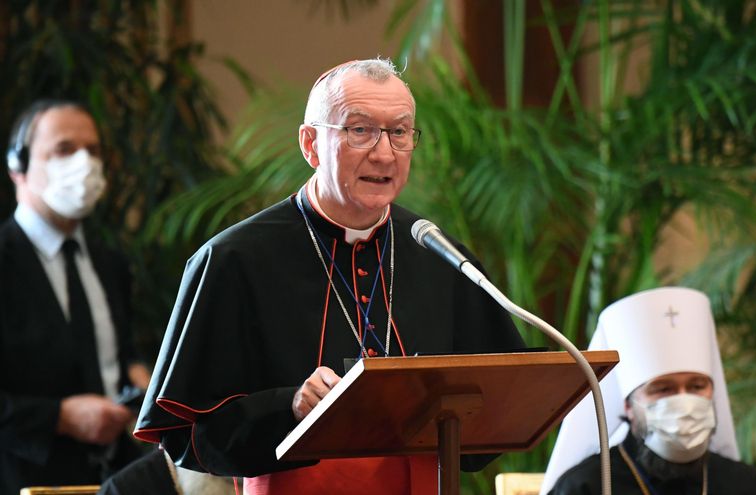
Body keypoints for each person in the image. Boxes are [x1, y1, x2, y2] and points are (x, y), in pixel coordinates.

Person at [134, 58, 526, 495]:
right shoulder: (234, 260)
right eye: (359, 130)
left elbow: (498, 410)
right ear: (311, 144)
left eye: (399, 132)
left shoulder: (437, 254)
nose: (383, 152)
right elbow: (186, 434)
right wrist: (290, 407)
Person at [0, 99, 151, 493]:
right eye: (64, 150)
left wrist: (142, 385)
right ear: (18, 165)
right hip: (26, 479)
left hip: (114, 477)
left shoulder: (109, 262)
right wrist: (59, 417)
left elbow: (119, 354)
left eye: (94, 151)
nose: (84, 164)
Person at [541, 287, 756, 495]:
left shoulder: (750, 486)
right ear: (628, 405)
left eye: (697, 386)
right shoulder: (585, 487)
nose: (683, 400)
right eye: (663, 389)